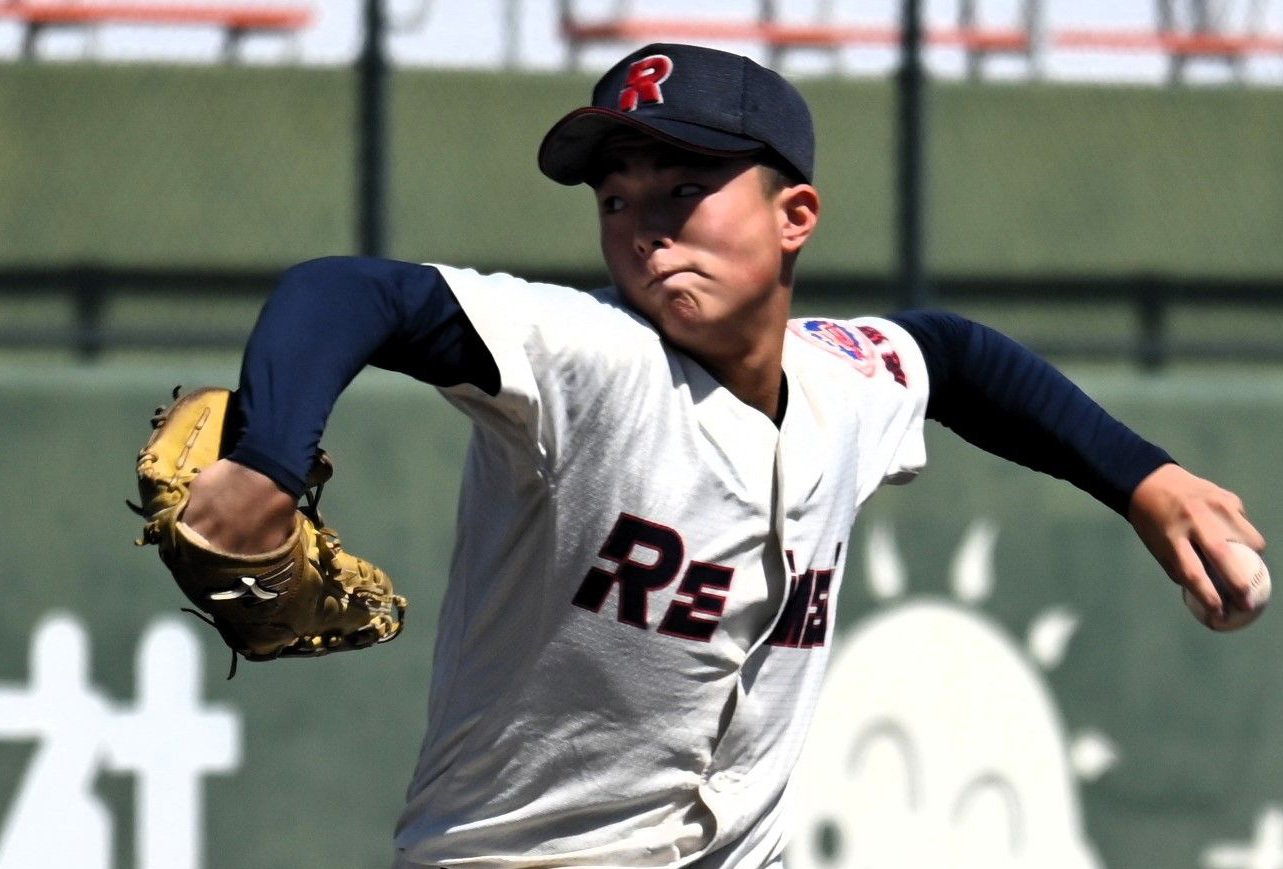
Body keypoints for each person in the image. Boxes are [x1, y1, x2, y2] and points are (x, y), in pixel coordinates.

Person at [181, 42, 1264, 868]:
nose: (642, 225)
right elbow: (351, 289)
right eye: (615, 198)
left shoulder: (844, 381)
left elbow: (952, 355)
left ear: (794, 214)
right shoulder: (586, 354)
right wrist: (271, 460)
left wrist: (1141, 479)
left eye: (682, 190)